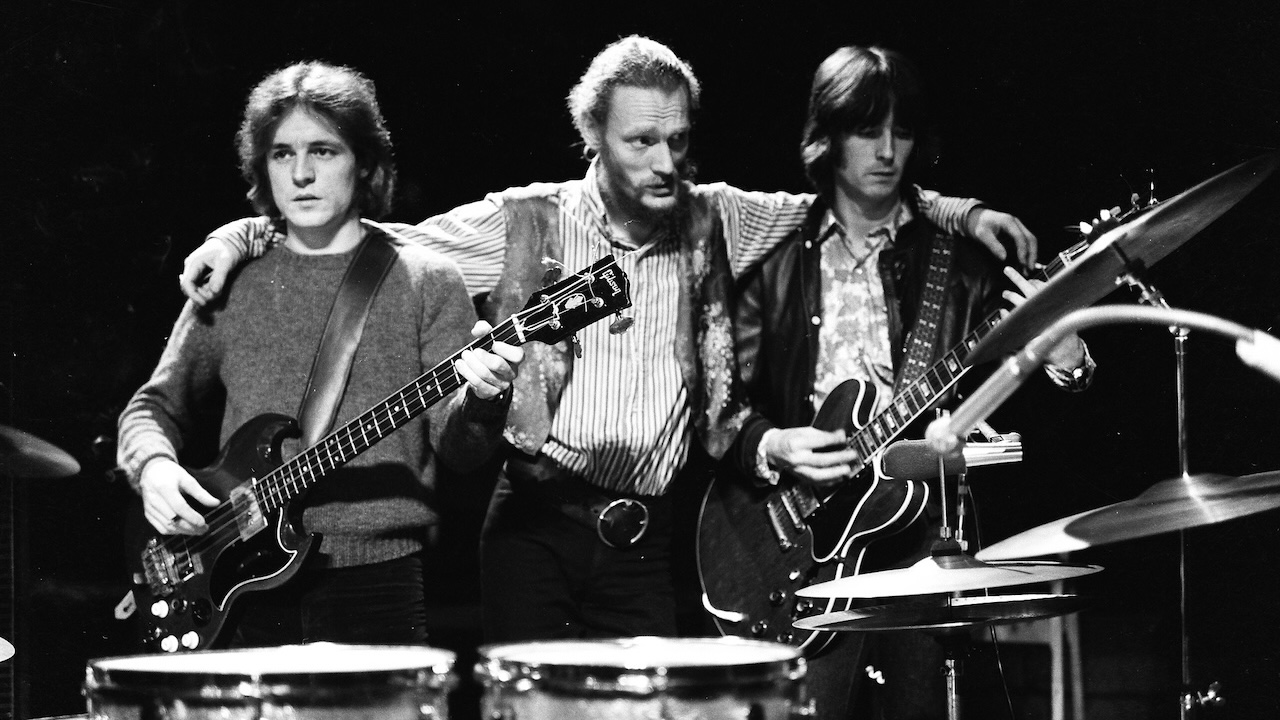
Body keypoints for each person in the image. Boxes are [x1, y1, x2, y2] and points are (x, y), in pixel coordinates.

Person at [174, 36, 1040, 643]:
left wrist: (959, 211)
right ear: (593, 139)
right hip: (535, 531)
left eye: (679, 140)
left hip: (648, 542)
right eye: (643, 142)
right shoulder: (521, 223)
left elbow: (838, 200)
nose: (667, 162)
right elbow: (368, 239)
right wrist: (241, 236)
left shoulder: (716, 218)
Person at [723, 46, 1094, 719]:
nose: (888, 150)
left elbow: (1044, 413)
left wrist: (1065, 354)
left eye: (901, 131)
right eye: (868, 130)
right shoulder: (775, 252)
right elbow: (724, 402)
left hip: (923, 530)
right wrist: (772, 444)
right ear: (828, 137)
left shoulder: (961, 259)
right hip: (800, 535)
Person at [117, 61, 523, 648]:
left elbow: (459, 452)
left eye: (324, 151)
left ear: (363, 162)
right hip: (238, 584)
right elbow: (152, 406)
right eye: (282, 154)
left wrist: (485, 400)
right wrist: (153, 465)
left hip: (377, 584)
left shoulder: (428, 281)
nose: (302, 173)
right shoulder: (236, 279)